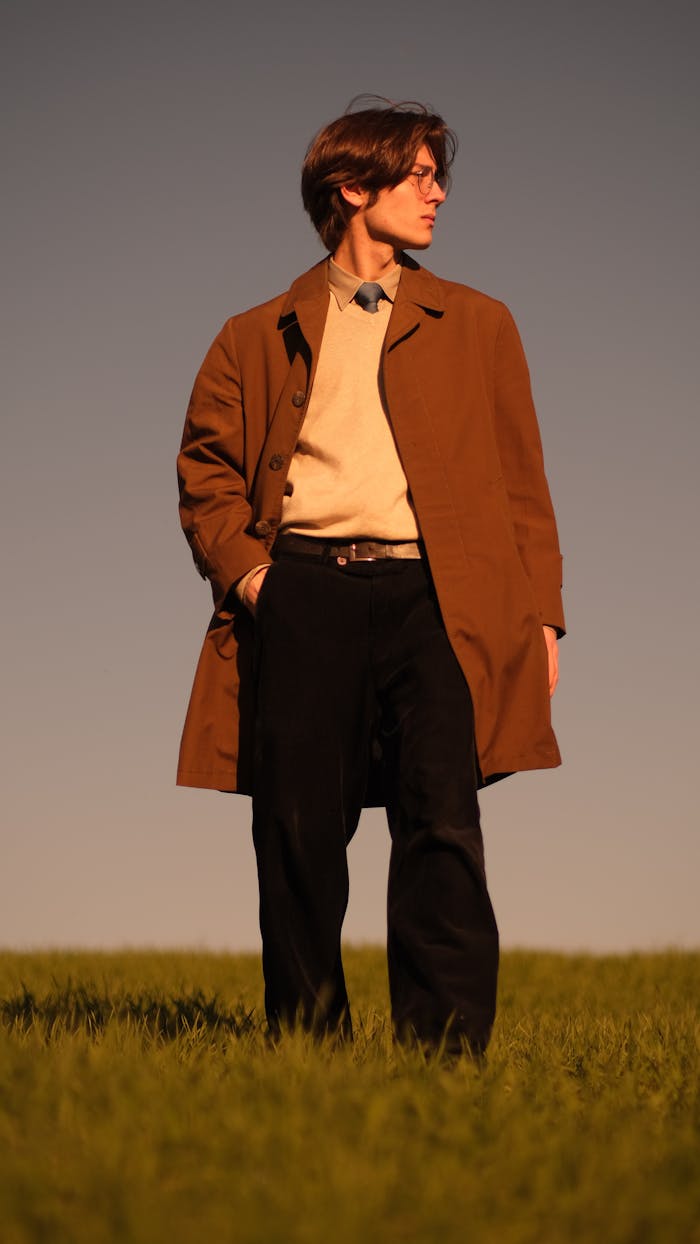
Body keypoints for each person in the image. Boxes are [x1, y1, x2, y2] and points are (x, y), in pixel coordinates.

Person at [177, 99, 564, 1056]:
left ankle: (445, 1062)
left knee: (443, 822)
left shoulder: (481, 324)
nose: (439, 193)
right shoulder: (253, 334)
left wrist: (543, 620)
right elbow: (206, 475)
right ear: (355, 188)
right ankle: (310, 1052)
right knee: (298, 831)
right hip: (302, 592)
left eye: (440, 176)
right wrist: (258, 581)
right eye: (420, 174)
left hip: (439, 599)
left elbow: (524, 484)